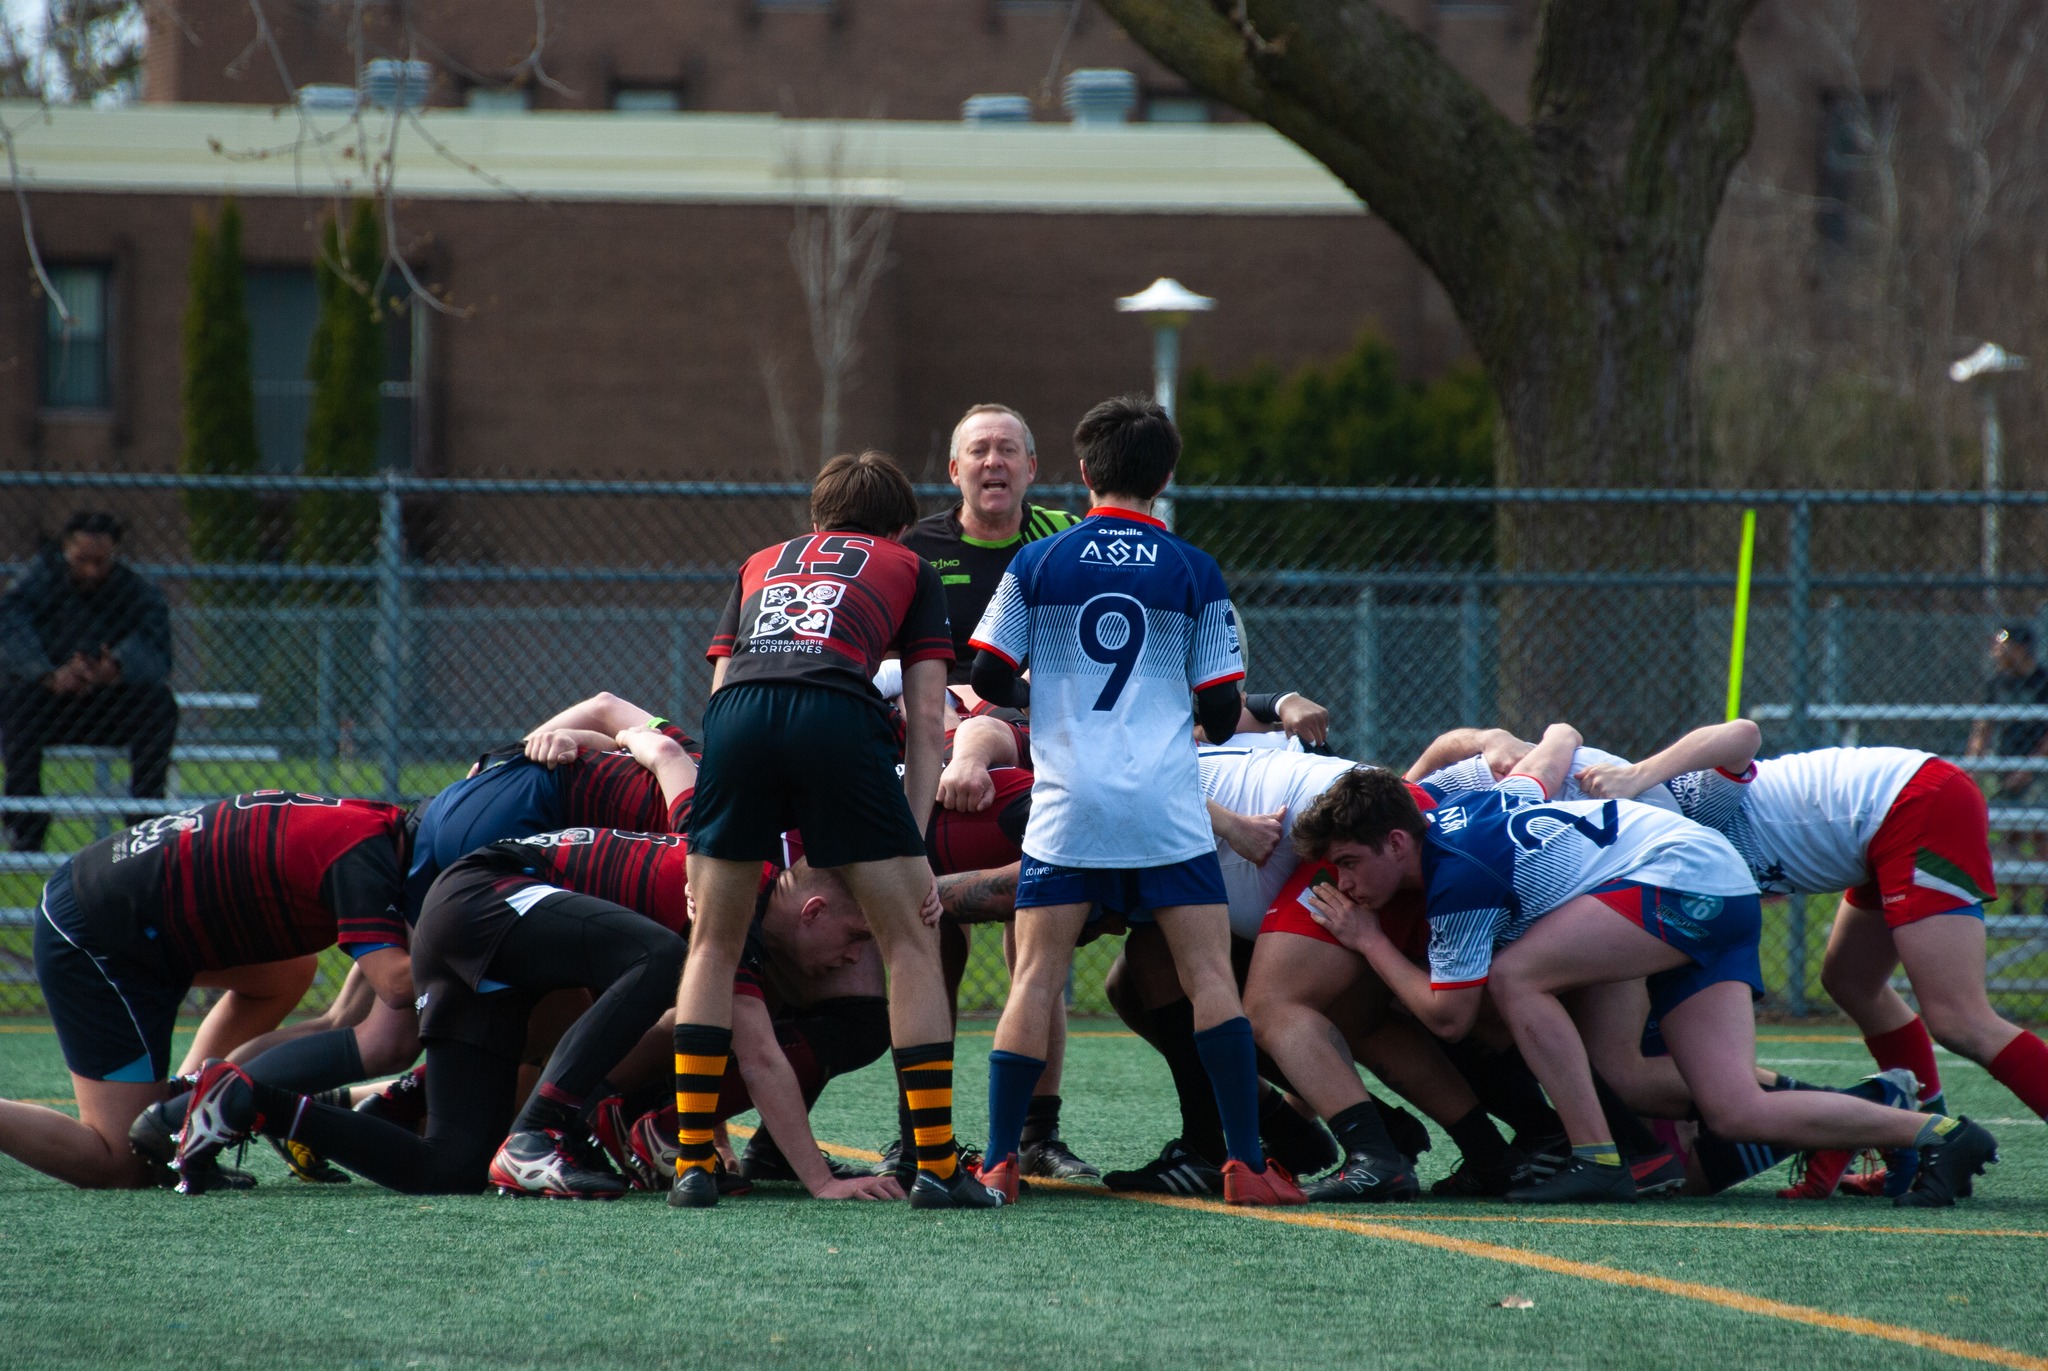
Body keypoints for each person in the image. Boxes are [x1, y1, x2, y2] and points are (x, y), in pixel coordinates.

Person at [1295, 733, 2000, 1208]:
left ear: (1397, 841)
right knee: (1730, 1108)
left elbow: (1448, 1017)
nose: (1344, 883)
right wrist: (1542, 737)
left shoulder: (1456, 873)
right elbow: (1541, 764)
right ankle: (1938, 1135)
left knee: (1515, 979)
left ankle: (1597, 1159)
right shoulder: (1469, 810)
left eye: (1349, 864)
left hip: (1681, 876)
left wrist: (1368, 940)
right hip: (1709, 882)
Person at [967, 394, 1303, 1206]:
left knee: (1034, 979)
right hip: (1167, 806)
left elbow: (985, 675)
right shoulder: (1193, 568)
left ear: (1084, 471)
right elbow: (1220, 707)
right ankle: (1246, 1165)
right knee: (1208, 978)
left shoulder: (1038, 561)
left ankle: (1000, 1162)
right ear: (1165, 478)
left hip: (1068, 805)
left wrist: (1053, 693)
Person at [673, 449, 1000, 1209]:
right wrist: (913, 844)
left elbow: (719, 697)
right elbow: (927, 716)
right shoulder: (909, 565)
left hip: (739, 719)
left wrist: (706, 843)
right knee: (911, 939)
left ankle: (693, 1162)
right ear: (899, 527)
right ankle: (938, 1165)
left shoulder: (760, 561)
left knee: (713, 943)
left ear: (817, 517)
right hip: (834, 714)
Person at [1581, 719, 2048, 1196]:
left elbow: (1741, 733)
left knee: (1960, 1020)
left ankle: (1927, 1139)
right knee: (1851, 982)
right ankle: (1920, 1149)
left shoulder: (1650, 808)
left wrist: (1636, 774)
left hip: (1911, 802)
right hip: (1878, 823)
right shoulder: (1616, 834)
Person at [0, 791, 412, 1190]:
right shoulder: (365, 862)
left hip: (125, 901)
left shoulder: (384, 828)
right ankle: (190, 1109)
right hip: (99, 933)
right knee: (125, 1164)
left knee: (287, 974)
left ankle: (189, 1102)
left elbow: (347, 1015)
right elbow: (393, 991)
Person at [1, 511, 176, 852]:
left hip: (109, 705)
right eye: (82, 561)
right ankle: (26, 825)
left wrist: (118, 666)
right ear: (65, 550)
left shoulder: (133, 589)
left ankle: (144, 824)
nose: (92, 571)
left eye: (101, 561)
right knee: (16, 700)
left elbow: (156, 647)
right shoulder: (36, 584)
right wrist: (49, 673)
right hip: (50, 704)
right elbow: (10, 633)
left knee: (159, 705)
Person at [903, 403, 1081, 688]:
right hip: (944, 705)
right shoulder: (914, 546)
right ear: (955, 471)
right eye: (978, 450)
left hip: (1036, 701)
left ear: (1031, 467)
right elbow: (891, 656)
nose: (993, 461)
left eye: (1008, 450)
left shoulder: (1066, 537)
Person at [1966, 621, 2048, 801]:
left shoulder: (2043, 682)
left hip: (2039, 769)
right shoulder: (1995, 684)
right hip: (2001, 764)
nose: (1995, 653)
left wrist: (2028, 769)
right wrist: (1972, 770)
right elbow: (1982, 729)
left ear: (2021, 649)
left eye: (2002, 647)